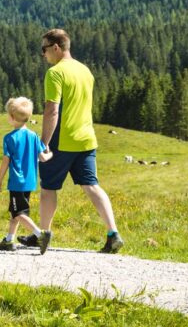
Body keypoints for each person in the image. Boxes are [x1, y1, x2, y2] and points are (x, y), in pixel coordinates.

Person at [21, 28, 124, 254]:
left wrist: (44, 142)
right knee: (91, 185)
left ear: (56, 47)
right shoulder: (85, 71)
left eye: (44, 49)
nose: (43, 55)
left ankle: (43, 234)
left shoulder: (55, 73)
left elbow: (52, 111)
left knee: (48, 187)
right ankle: (113, 233)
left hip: (62, 139)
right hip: (86, 138)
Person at [0, 97, 52, 252]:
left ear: (11, 118)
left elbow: (6, 161)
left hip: (17, 183)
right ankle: (8, 240)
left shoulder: (9, 138)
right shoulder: (34, 136)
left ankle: (41, 234)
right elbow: (43, 158)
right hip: (30, 182)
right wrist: (51, 153)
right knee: (17, 212)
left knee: (18, 212)